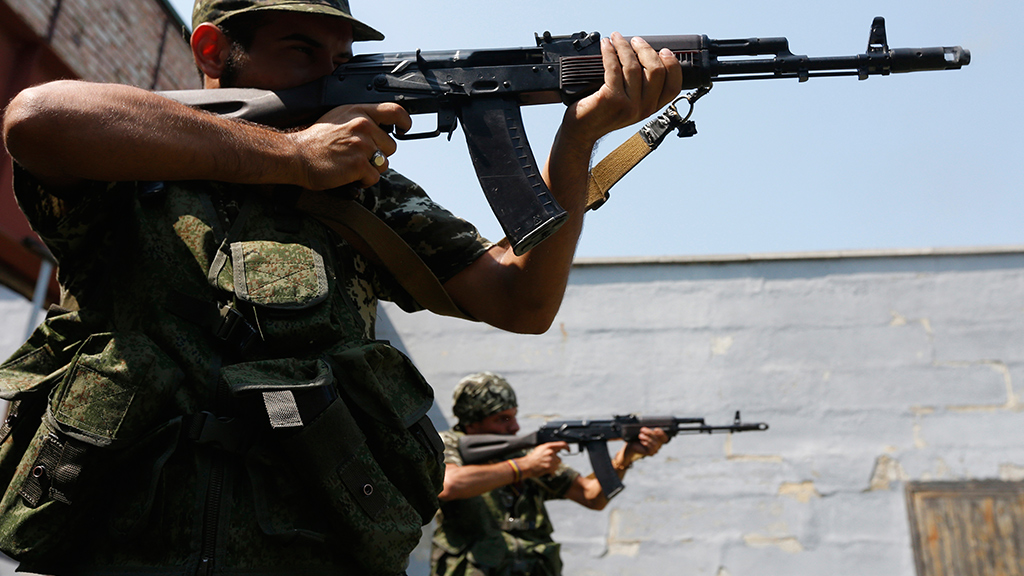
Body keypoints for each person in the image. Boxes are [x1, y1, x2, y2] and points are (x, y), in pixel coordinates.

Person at [0, 0, 682, 574]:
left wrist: (576, 143)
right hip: (107, 543)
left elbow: (521, 301)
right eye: (301, 50)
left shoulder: (366, 192)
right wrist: (291, 157)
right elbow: (38, 117)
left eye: (342, 57)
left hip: (306, 549)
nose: (330, 73)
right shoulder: (129, 165)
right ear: (213, 49)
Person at [432, 372, 669, 576]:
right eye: (502, 419)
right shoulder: (448, 444)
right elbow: (448, 484)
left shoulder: (524, 453)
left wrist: (624, 458)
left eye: (513, 415)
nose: (515, 427)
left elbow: (591, 496)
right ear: (472, 422)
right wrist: (524, 467)